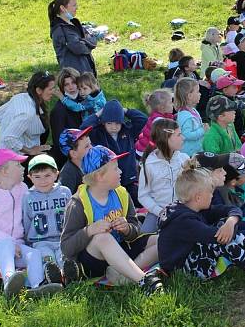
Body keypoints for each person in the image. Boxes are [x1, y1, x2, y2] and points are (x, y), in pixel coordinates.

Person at [157, 160, 245, 293]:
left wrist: (231, 221)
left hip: (192, 260)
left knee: (224, 227)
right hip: (181, 272)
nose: (212, 196)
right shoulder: (183, 221)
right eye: (210, 192)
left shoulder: (194, 208)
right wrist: (229, 226)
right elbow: (219, 237)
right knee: (223, 240)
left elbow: (231, 210)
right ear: (198, 197)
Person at [61, 146, 163, 291]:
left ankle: (122, 275)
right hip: (94, 261)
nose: (121, 171)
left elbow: (135, 229)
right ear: (99, 176)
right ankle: (144, 281)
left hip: (121, 249)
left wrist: (127, 228)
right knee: (102, 238)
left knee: (161, 240)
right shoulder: (78, 203)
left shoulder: (121, 193)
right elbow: (66, 247)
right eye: (115, 169)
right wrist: (89, 230)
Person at [0, 149, 59, 298]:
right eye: (18, 165)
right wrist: (12, 243)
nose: (23, 168)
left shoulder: (22, 188)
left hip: (17, 248)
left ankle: (36, 286)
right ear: (5, 171)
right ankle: (9, 281)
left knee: (35, 254)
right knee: (6, 243)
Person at [22, 154, 79, 285]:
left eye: (47, 175)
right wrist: (26, 240)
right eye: (37, 177)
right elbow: (26, 220)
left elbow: (71, 214)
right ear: (30, 178)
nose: (43, 181)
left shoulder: (65, 192)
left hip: (62, 238)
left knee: (63, 256)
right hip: (40, 240)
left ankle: (68, 273)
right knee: (47, 258)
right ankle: (53, 275)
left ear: (56, 174)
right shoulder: (28, 197)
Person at [81, 99, 147, 204]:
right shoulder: (98, 134)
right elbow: (83, 128)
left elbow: (143, 119)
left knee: (139, 202)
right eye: (109, 123)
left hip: (129, 179)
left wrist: (125, 110)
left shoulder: (128, 130)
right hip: (109, 181)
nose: (113, 127)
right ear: (103, 123)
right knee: (115, 204)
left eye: (117, 123)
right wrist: (99, 114)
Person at [137, 119, 189, 233]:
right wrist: (160, 212)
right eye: (179, 135)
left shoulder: (184, 159)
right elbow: (143, 195)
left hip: (184, 211)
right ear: (166, 138)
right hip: (158, 212)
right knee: (144, 237)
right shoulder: (149, 165)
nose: (183, 138)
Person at [0, 70, 56, 156]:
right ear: (39, 90)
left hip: (26, 146)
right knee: (57, 156)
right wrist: (29, 150)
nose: (54, 91)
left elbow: (0, 115)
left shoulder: (22, 96)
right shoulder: (27, 113)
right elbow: (8, 138)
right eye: (51, 89)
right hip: (14, 159)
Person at [48, 0, 97, 74]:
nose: (77, 8)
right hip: (74, 77)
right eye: (74, 5)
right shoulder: (59, 29)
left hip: (87, 71)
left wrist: (84, 41)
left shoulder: (75, 23)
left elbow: (93, 39)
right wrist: (86, 42)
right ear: (63, 8)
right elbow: (78, 47)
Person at [50, 68, 83, 168]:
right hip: (70, 159)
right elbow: (59, 142)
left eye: (73, 82)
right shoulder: (59, 110)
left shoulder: (85, 100)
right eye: (66, 84)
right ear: (62, 88)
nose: (71, 87)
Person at [135, 89, 175, 156]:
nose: (173, 104)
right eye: (171, 102)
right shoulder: (159, 121)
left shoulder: (160, 116)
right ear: (162, 107)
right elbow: (164, 139)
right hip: (145, 152)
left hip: (146, 148)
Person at [175, 78, 207, 156]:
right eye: (198, 91)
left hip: (196, 150)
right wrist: (203, 130)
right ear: (189, 96)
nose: (200, 94)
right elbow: (186, 135)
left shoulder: (193, 110)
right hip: (189, 153)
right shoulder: (185, 116)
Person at [58, 127, 93, 193]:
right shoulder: (68, 173)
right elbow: (65, 199)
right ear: (73, 153)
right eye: (87, 146)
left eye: (90, 144)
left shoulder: (89, 165)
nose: (92, 148)